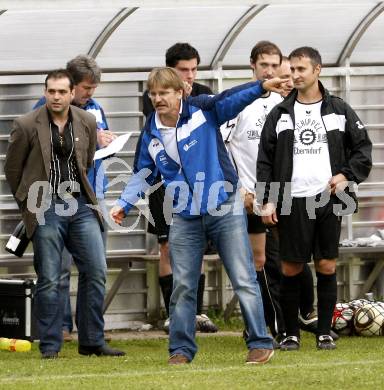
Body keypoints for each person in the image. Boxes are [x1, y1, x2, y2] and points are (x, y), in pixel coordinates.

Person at [110, 67, 288, 364]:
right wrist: (124, 203)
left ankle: (259, 341)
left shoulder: (203, 110)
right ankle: (180, 350)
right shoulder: (151, 132)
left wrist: (262, 86)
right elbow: (142, 171)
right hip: (183, 214)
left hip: (224, 205)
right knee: (182, 285)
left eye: (164, 92)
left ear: (180, 92)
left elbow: (234, 98)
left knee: (243, 278)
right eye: (153, 94)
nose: (158, 99)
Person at [257, 46, 372, 351]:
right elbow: (264, 161)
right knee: (291, 267)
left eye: (300, 69)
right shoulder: (280, 113)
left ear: (317, 70)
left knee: (326, 265)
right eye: (291, 69)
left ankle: (324, 331)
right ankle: (291, 333)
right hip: (292, 199)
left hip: (329, 200)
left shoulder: (339, 109)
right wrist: (267, 200)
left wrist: (346, 175)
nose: (294, 75)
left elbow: (363, 148)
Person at [5, 69, 124, 359]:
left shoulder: (87, 120)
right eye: (51, 91)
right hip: (45, 207)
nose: (56, 97)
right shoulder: (26, 124)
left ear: (72, 94)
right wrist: (28, 205)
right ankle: (50, 346)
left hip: (81, 204)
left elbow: (88, 160)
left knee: (95, 271)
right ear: (45, 92)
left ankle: (92, 341)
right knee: (49, 277)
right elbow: (12, 169)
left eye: (61, 92)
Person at [34, 55, 116, 341]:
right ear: (69, 86)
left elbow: (100, 146)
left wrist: (107, 143)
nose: (90, 93)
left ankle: (90, 333)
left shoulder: (96, 109)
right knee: (57, 269)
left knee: (95, 267)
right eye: (85, 87)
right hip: (56, 200)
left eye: (94, 88)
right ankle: (60, 328)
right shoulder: (42, 111)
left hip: (94, 197)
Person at [140, 43, 217, 333]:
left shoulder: (204, 92)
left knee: (198, 246)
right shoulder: (156, 95)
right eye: (184, 70)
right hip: (163, 182)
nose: (190, 76)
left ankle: (196, 312)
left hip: (198, 183)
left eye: (194, 69)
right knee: (167, 245)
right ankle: (174, 313)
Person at [221, 41, 285, 342]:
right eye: (264, 65)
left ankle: (284, 326)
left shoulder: (284, 103)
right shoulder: (239, 100)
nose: (269, 71)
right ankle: (260, 326)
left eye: (274, 65)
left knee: (282, 262)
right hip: (247, 198)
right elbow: (221, 148)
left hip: (279, 196)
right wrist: (240, 189)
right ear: (252, 65)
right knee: (256, 262)